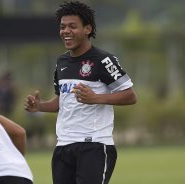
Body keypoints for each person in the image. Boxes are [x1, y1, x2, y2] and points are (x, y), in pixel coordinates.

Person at [24, 1, 137, 184]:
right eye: (62, 27)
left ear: (87, 29)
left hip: (94, 145)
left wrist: (96, 98)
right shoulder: (61, 62)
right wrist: (40, 106)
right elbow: (63, 101)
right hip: (64, 145)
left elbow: (130, 95)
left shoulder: (103, 60)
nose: (66, 31)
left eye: (72, 26)